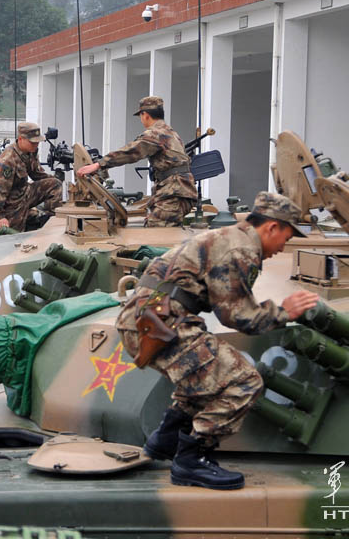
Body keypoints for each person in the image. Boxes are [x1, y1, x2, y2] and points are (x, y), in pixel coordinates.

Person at [117, 191, 319, 490]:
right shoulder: (240, 249)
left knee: (201, 377)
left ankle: (165, 441)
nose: (282, 248)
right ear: (272, 227)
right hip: (161, 323)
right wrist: (284, 312)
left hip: (150, 318)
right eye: (286, 239)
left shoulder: (228, 237)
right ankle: (192, 459)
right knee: (244, 381)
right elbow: (238, 317)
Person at [77, 95, 198, 227]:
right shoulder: (170, 132)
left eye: (141, 116)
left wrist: (98, 164)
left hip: (174, 192)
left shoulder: (154, 134)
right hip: (178, 190)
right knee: (160, 228)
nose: (141, 120)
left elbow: (131, 152)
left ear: (145, 115)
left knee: (157, 232)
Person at [0, 122, 62, 231]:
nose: (36, 145)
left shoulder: (30, 151)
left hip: (25, 193)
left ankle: (50, 220)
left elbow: (37, 174)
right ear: (21, 139)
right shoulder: (7, 161)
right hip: (11, 203)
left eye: (37, 142)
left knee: (55, 184)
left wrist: (54, 179)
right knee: (16, 236)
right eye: (32, 142)